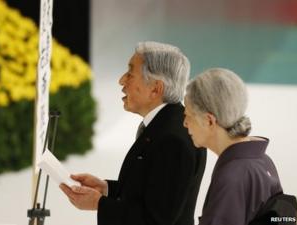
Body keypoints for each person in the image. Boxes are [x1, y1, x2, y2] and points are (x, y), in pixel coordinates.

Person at [60, 41, 207, 225]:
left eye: (130, 74)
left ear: (156, 88)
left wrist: (99, 204)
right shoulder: (167, 124)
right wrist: (106, 189)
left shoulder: (172, 139)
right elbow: (154, 191)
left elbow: (156, 220)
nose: (121, 80)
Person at [183, 68, 283, 225]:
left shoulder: (232, 176)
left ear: (209, 120)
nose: (185, 123)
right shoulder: (263, 160)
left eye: (188, 115)